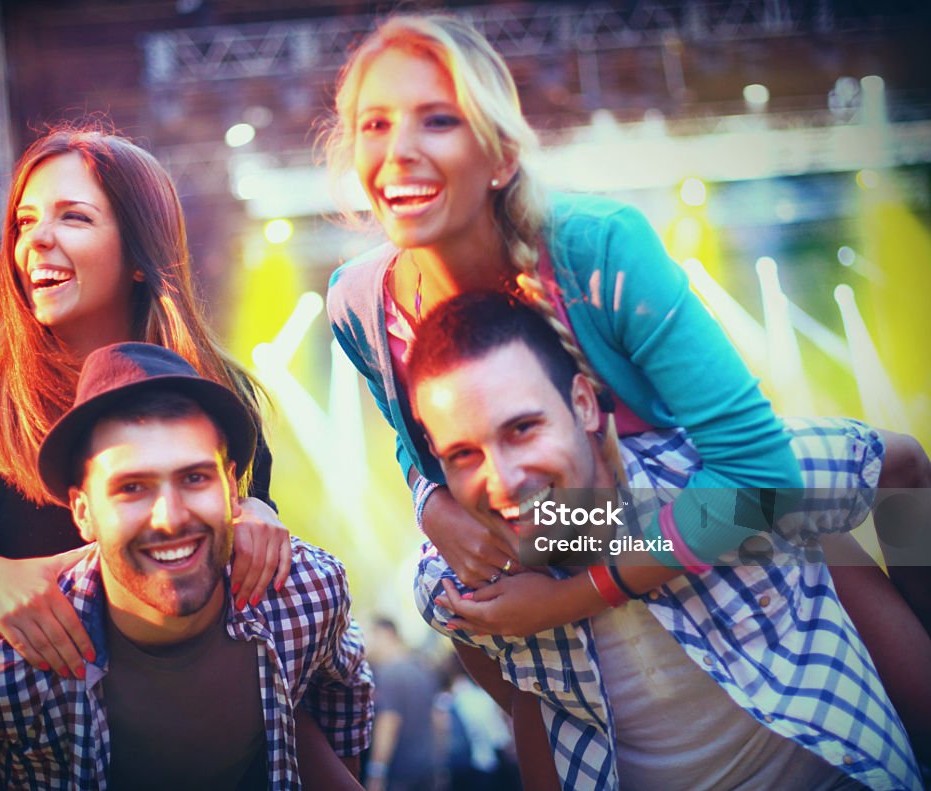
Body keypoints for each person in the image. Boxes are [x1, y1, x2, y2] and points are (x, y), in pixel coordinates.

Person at [321, 11, 931, 741]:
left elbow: (758, 470)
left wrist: (569, 597)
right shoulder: (359, 300)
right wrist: (430, 504)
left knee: (899, 468)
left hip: (686, 501)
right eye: (374, 124)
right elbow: (407, 436)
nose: (399, 152)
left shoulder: (595, 247)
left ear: (502, 156)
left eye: (439, 120)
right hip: (550, 527)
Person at [408, 292, 921, 790]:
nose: (503, 480)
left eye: (522, 428)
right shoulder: (457, 584)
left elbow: (902, 466)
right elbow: (524, 696)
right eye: (463, 455)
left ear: (583, 405)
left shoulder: (713, 481)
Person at [0, 342, 373, 789]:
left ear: (232, 489)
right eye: (132, 488)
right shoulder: (7, 652)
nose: (170, 518)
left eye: (194, 478)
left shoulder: (303, 591)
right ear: (83, 512)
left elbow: (345, 683)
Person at [0, 125, 291, 678]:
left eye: (73, 216)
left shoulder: (219, 389)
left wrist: (258, 513)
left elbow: (245, 564)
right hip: (40, 717)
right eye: (25, 221)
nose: (37, 239)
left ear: (140, 253)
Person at [363, 617, 440, 791]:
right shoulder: (423, 668)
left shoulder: (388, 672)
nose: (365, 642)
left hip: (399, 774)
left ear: (385, 634)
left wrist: (376, 773)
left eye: (369, 634)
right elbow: (438, 720)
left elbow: (389, 721)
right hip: (425, 769)